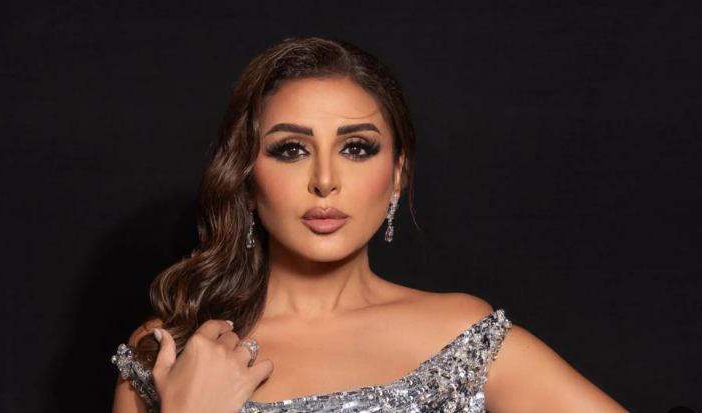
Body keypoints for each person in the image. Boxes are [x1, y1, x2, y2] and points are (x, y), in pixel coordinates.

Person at [110, 37, 629, 413]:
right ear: (246, 179)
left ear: (397, 174)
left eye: (356, 148)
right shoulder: (172, 349)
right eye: (291, 149)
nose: (325, 181)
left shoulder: (461, 339)